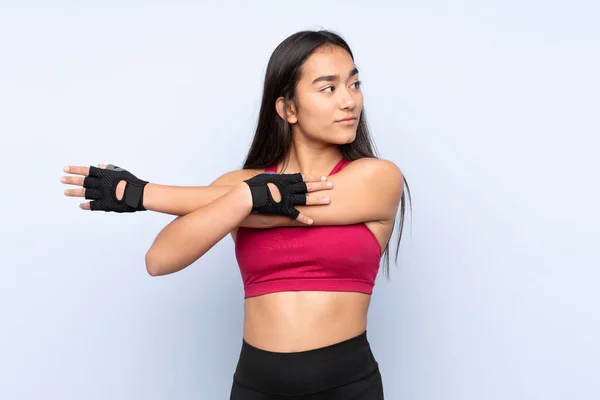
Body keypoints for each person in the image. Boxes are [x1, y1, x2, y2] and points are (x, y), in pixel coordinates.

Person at [61, 29, 411, 399]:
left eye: (354, 84)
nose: (350, 101)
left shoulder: (376, 177)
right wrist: (245, 196)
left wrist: (139, 193)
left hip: (347, 386)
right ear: (288, 108)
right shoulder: (236, 186)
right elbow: (159, 259)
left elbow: (293, 203)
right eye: (329, 88)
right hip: (255, 386)